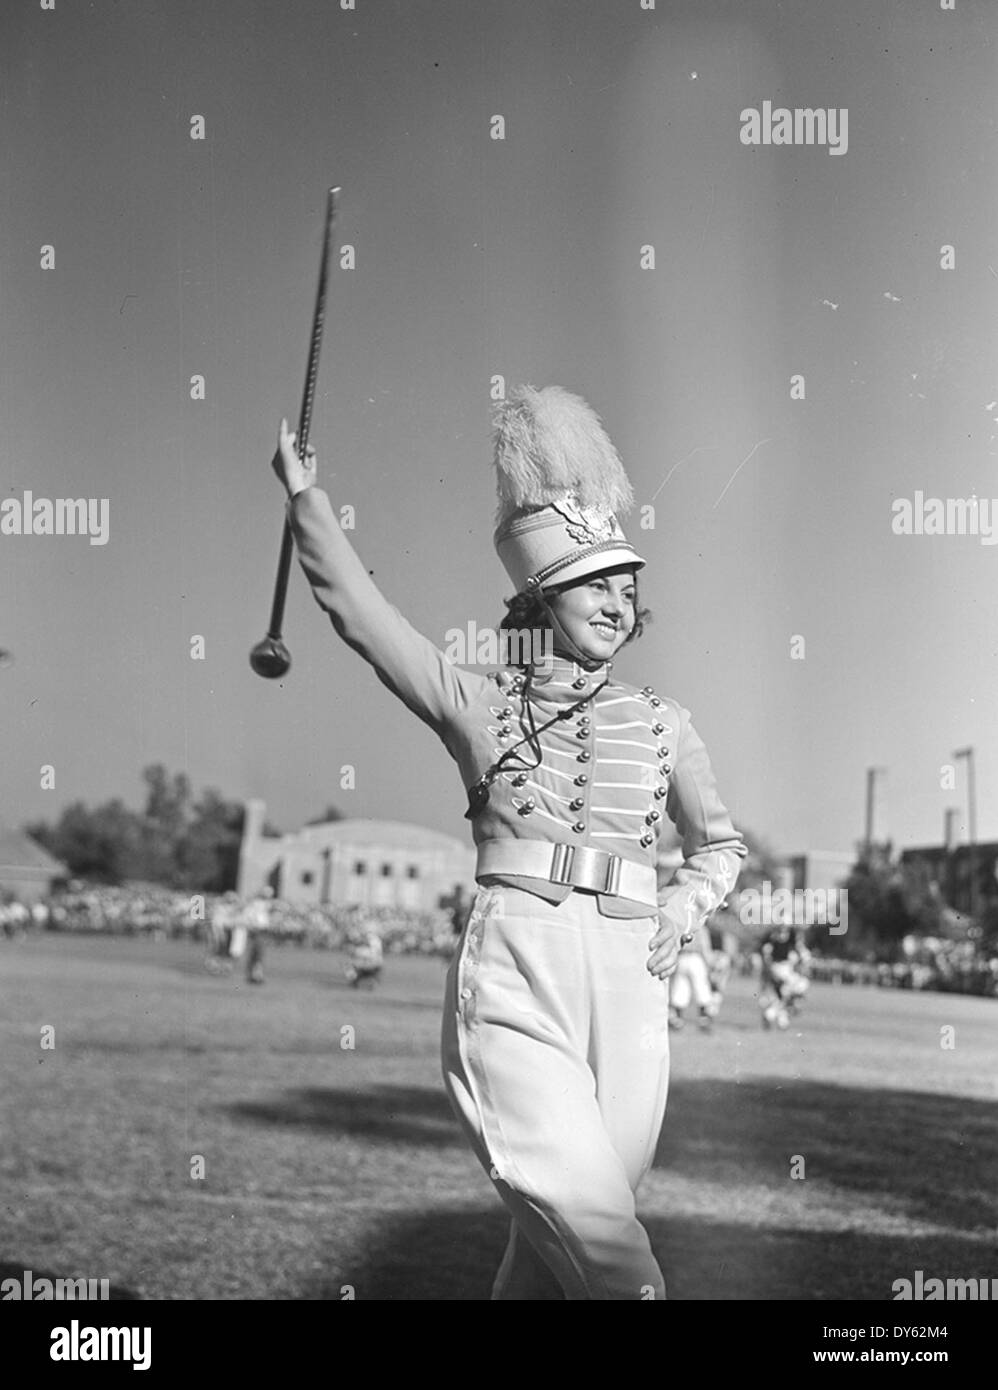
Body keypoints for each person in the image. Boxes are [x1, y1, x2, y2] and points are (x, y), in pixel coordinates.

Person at [273, 384, 746, 1300]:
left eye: (625, 586)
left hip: (633, 979)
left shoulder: (666, 722)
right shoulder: (481, 703)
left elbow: (718, 847)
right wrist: (306, 501)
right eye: (591, 584)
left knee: (553, 1254)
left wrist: (685, 907)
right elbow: (369, 620)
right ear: (543, 595)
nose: (615, 601)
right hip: (518, 966)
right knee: (612, 1258)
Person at [759, 922, 810, 1029]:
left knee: (782, 997)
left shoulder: (775, 941)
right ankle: (789, 1009)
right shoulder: (772, 942)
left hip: (782, 969)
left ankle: (775, 1017)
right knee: (800, 985)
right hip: (779, 969)